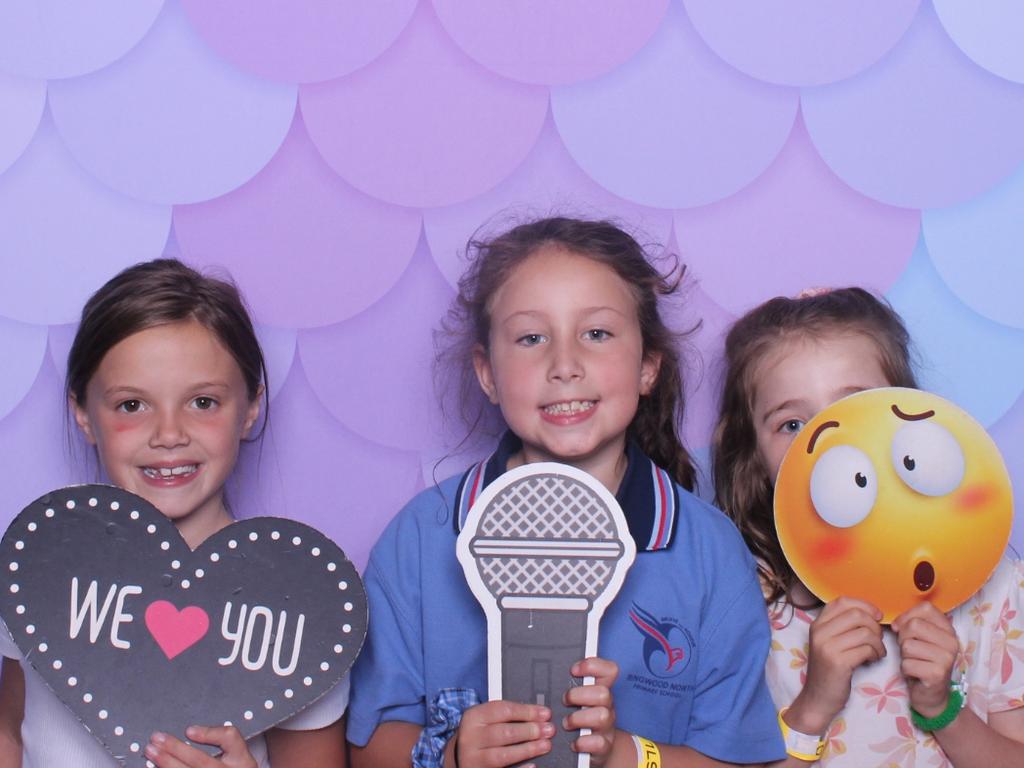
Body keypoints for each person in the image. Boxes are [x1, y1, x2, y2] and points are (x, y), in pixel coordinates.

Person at [348, 216, 785, 768]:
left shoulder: (709, 552)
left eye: (596, 334)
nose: (564, 366)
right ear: (486, 372)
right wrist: (452, 755)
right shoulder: (420, 539)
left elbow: (742, 760)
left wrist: (626, 754)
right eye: (531, 338)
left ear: (649, 365)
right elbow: (366, 748)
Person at [0, 259, 348, 768]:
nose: (169, 434)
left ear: (250, 406)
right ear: (83, 414)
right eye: (131, 406)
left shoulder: (295, 601)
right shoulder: (38, 568)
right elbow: (11, 731)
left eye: (203, 402)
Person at [712, 287, 1024, 766]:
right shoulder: (736, 596)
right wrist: (814, 704)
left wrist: (943, 710)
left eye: (855, 407)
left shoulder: (993, 584)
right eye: (792, 425)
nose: (832, 449)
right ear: (753, 457)